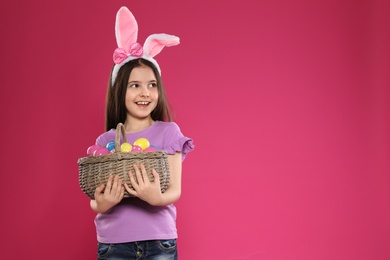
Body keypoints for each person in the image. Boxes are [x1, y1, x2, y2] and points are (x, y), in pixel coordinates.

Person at [89, 6, 194, 259]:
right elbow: (95, 199)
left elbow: (174, 191)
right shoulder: (106, 141)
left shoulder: (169, 132)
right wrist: (102, 204)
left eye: (152, 85)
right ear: (119, 91)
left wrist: (154, 197)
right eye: (135, 85)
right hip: (114, 244)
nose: (145, 93)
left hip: (159, 241)